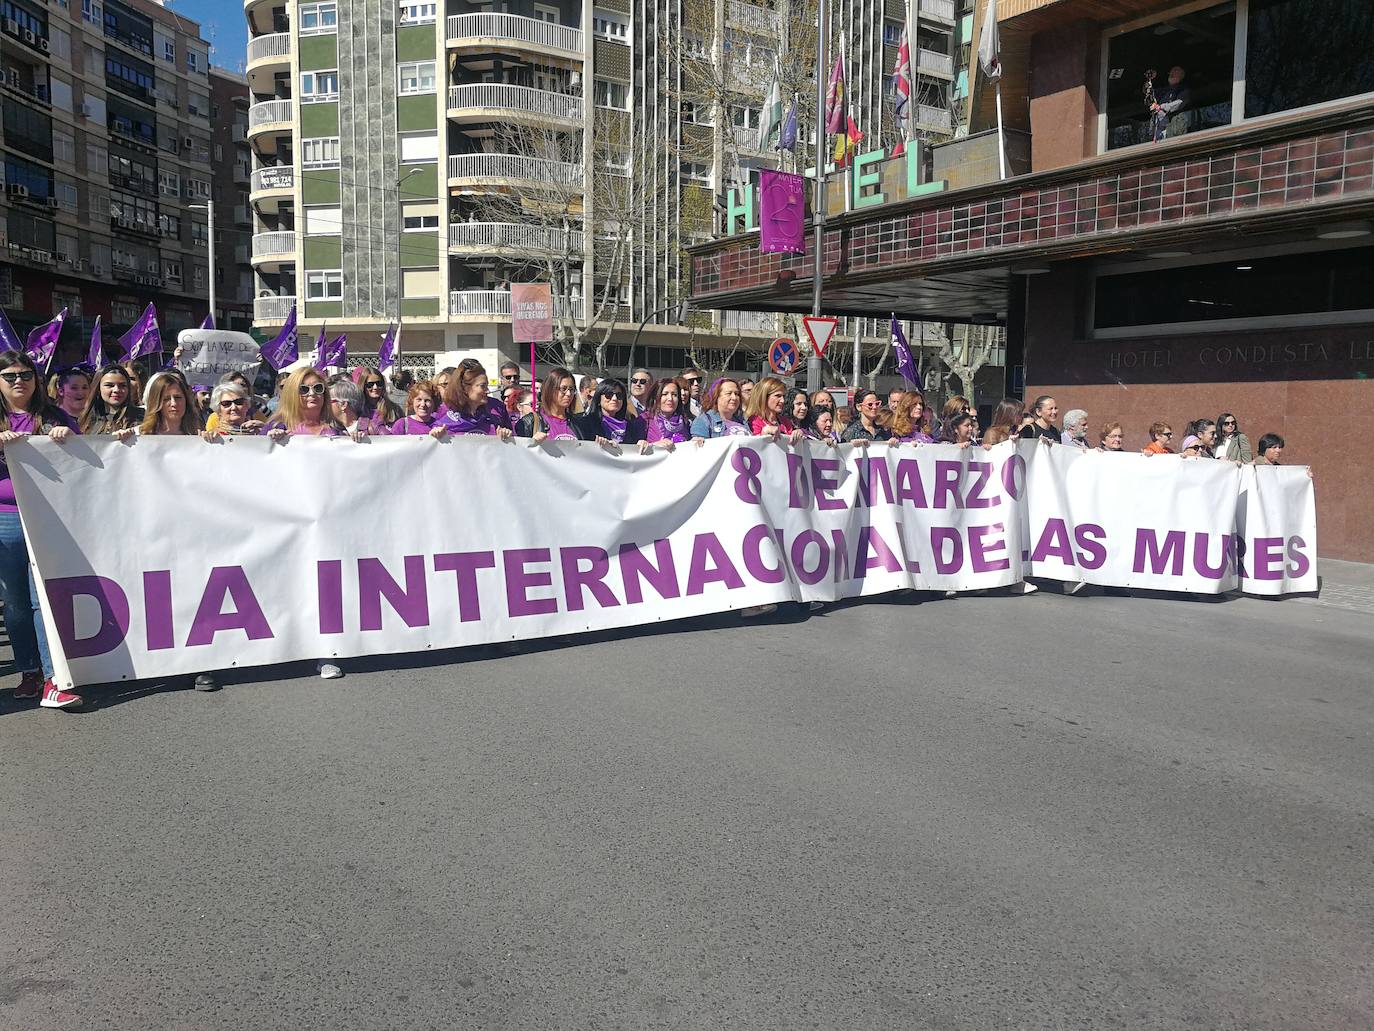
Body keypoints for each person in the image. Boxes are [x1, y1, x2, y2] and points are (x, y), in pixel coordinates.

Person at [0, 349, 82, 709]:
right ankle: (29, 670)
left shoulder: (53, 415)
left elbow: (84, 460)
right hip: (4, 520)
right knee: (15, 603)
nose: (19, 381)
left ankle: (53, 678)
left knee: (41, 601)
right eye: (10, 376)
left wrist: (68, 436)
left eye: (26, 375)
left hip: (47, 517)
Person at [438, 358, 515, 439]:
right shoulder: (444, 412)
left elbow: (513, 441)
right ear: (465, 388)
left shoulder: (497, 408)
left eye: (487, 385)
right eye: (482, 386)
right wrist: (436, 434)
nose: (487, 391)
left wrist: (506, 435)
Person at [263, 367, 344, 438]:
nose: (312, 393)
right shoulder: (276, 426)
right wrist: (269, 441)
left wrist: (355, 437)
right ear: (291, 394)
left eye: (318, 388)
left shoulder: (337, 429)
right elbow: (258, 452)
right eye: (304, 389)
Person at [515, 367, 587, 442]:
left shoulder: (579, 424)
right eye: (563, 389)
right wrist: (532, 443)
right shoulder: (529, 422)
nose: (568, 394)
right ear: (550, 390)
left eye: (571, 389)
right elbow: (519, 451)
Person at [576, 377, 649, 449]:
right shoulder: (584, 424)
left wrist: (642, 443)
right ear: (598, 399)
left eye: (619, 395)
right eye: (609, 395)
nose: (614, 399)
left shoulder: (630, 427)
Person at [80, 364, 144, 436]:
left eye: (122, 385)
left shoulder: (142, 417)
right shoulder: (85, 418)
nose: (116, 390)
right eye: (109, 385)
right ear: (98, 389)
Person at [139, 371, 203, 436]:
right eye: (166, 399)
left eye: (178, 397)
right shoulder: (140, 434)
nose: (174, 403)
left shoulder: (197, 436)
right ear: (156, 402)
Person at [746, 377, 803, 443]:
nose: (782, 400)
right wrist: (762, 435)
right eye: (778, 396)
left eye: (783, 396)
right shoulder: (753, 421)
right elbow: (751, 446)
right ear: (764, 396)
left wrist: (800, 432)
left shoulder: (785, 421)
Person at [643, 377, 692, 448]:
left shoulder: (685, 421)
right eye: (665, 394)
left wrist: (696, 441)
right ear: (655, 397)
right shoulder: (644, 419)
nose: (670, 399)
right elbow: (632, 449)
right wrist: (654, 445)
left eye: (674, 395)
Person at [1150, 66, 1191, 141]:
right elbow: (1151, 94)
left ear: (1181, 75)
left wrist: (1161, 107)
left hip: (1173, 130)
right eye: (1170, 73)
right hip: (1159, 129)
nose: (1171, 74)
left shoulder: (1184, 90)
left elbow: (1179, 103)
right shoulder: (1163, 91)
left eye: (1175, 71)